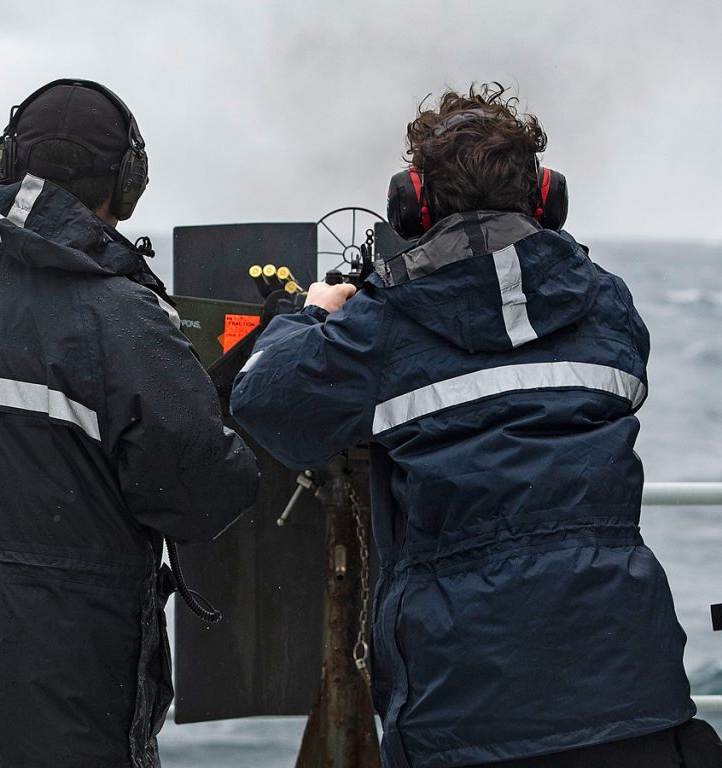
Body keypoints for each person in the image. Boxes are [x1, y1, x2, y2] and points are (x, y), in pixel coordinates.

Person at [231, 84, 722, 767]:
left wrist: (314, 313)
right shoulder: (608, 304)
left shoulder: (382, 328)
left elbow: (263, 398)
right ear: (546, 198)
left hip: (465, 709)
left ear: (413, 204)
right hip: (633, 690)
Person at [0, 78, 259, 768]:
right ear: (128, 186)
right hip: (80, 706)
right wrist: (234, 397)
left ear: (5, 163)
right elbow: (199, 496)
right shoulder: (129, 325)